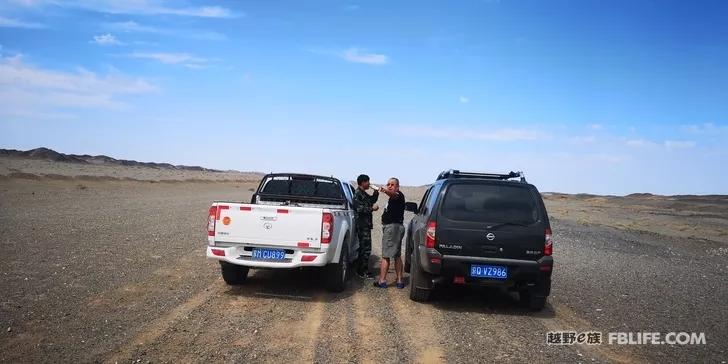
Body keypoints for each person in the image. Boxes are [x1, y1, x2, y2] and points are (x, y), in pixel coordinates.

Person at [373, 177, 406, 289]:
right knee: (397, 255)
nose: (390, 186)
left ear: (397, 187)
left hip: (393, 229)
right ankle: (400, 281)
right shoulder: (393, 199)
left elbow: (393, 194)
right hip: (395, 228)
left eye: (392, 184)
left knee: (386, 256)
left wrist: (384, 190)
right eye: (388, 184)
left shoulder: (398, 195)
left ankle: (382, 281)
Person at [353, 174, 379, 278]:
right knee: (365, 249)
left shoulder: (363, 193)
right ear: (362, 182)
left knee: (365, 248)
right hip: (362, 225)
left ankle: (363, 269)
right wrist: (372, 209)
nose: (369, 183)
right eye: (367, 181)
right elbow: (359, 208)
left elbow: (371, 200)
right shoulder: (357, 194)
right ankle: (361, 271)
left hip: (365, 225)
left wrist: (376, 192)